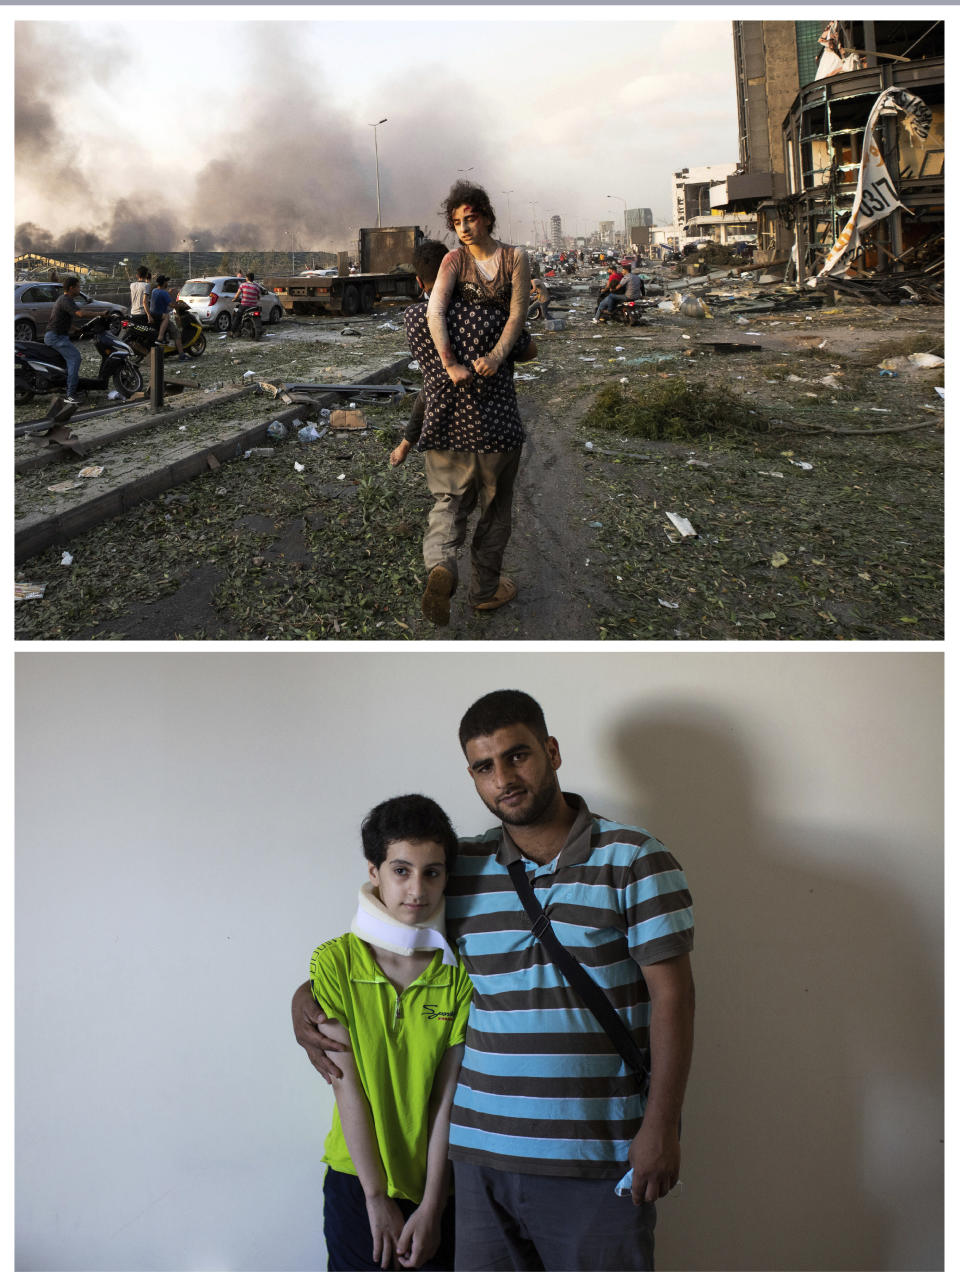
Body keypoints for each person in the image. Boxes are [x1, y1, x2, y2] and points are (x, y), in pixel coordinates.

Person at [292, 689, 696, 1272]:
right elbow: (380, 941)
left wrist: (661, 1128)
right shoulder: (460, 867)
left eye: (518, 755)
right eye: (485, 767)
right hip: (478, 1165)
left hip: (597, 1157)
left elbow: (674, 999)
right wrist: (304, 999)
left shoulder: (635, 860)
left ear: (552, 752)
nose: (504, 777)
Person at [310, 794, 473, 1271]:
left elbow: (448, 1100)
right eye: (401, 870)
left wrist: (434, 1204)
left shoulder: (458, 975)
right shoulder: (334, 961)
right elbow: (347, 1085)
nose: (417, 889)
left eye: (432, 872)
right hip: (354, 1181)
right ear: (373, 870)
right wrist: (375, 1195)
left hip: (435, 1188)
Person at [391, 240, 533, 627]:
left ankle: (441, 564)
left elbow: (428, 382)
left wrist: (408, 438)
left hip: (444, 428)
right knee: (494, 515)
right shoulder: (491, 313)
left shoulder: (415, 318)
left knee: (448, 504)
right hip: (496, 431)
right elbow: (528, 349)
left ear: (422, 282)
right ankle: (484, 592)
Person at [426, 181, 530, 391]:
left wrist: (495, 358)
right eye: (457, 223)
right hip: (462, 358)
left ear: (487, 218)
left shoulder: (515, 257)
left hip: (497, 358)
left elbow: (517, 315)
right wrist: (450, 364)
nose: (463, 229)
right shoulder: (454, 259)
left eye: (470, 219)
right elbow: (434, 311)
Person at [41, 277, 91, 434]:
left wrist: (76, 329)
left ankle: (68, 386)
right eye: (78, 287)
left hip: (58, 335)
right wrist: (102, 313)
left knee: (67, 362)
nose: (79, 289)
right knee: (75, 358)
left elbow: (62, 319)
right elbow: (81, 313)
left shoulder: (63, 300)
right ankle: (70, 395)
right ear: (71, 288)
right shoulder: (66, 300)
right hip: (55, 337)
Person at [148, 274, 187, 359]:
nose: (167, 283)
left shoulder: (155, 290)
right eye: (166, 281)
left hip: (153, 314)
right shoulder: (164, 293)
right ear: (163, 283)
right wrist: (182, 306)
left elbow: (161, 297)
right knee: (176, 333)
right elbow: (172, 305)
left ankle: (164, 341)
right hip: (160, 316)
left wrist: (169, 292)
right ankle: (182, 355)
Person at [231, 271, 263, 335]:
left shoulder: (243, 285)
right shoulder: (257, 287)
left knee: (238, 316)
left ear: (247, 278)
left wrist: (234, 299)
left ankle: (232, 332)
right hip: (253, 306)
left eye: (246, 277)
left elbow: (237, 295)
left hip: (244, 305)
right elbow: (258, 297)